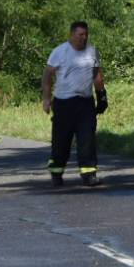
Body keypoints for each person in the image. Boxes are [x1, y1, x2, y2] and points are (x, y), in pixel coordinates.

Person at [41, 20, 107, 187]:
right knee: (61, 141)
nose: (84, 38)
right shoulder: (60, 52)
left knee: (87, 139)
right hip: (64, 103)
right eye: (80, 35)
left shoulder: (92, 52)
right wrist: (47, 99)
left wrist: (102, 96)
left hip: (85, 102)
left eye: (86, 35)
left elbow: (97, 75)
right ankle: (56, 173)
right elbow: (47, 76)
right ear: (72, 35)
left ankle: (89, 175)